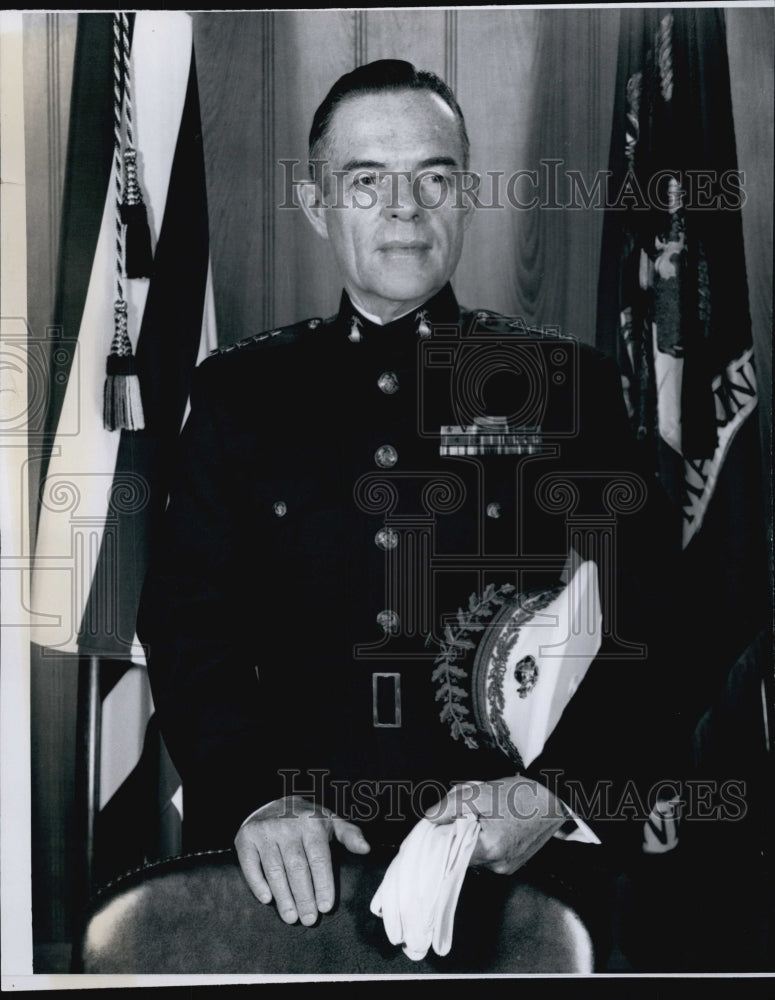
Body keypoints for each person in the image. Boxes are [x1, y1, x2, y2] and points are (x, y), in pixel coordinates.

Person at [137, 59, 682, 972]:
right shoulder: (241, 395)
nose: (404, 207)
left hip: (516, 864)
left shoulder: (564, 387)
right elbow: (192, 625)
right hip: (301, 864)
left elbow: (657, 613)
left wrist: (554, 792)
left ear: (464, 195)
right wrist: (249, 800)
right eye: (365, 180)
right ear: (318, 206)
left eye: (432, 176)